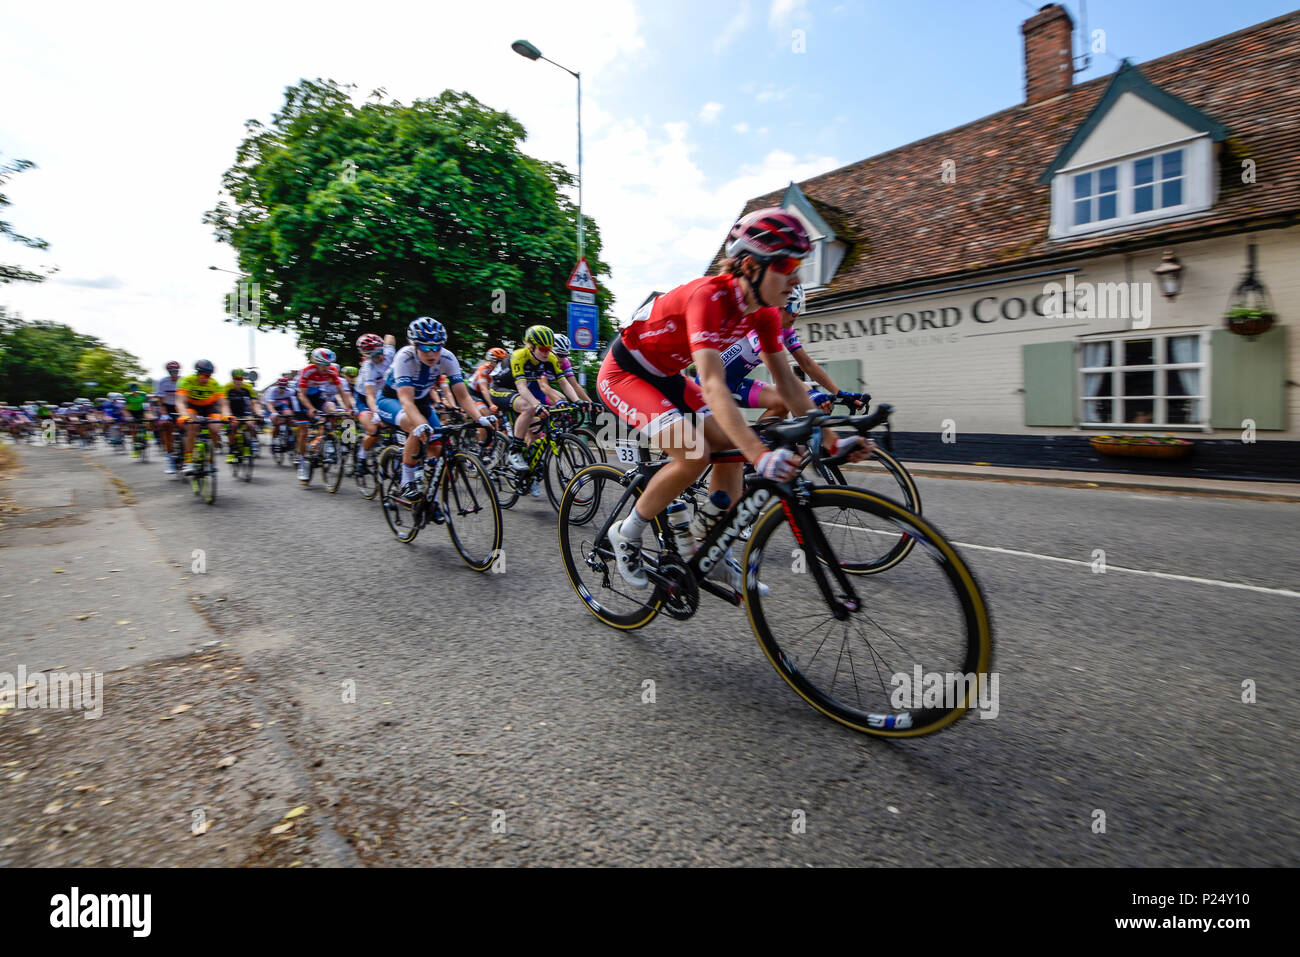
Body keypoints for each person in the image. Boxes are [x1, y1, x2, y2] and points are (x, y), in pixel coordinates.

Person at [596, 207, 869, 589]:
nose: (797, 277)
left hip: (668, 376)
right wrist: (763, 455)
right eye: (788, 264)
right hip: (625, 373)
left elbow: (788, 385)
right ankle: (627, 531)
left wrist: (831, 441)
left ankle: (709, 549)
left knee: (734, 451)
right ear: (749, 266)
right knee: (693, 453)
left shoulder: (766, 315)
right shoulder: (708, 297)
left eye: (800, 265)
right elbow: (712, 383)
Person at [376, 317, 495, 502]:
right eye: (425, 347)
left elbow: (463, 396)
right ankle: (407, 481)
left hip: (421, 401)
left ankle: (428, 495)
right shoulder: (404, 357)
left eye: (436, 347)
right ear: (415, 346)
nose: (432, 353)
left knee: (438, 447)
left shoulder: (447, 358)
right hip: (392, 399)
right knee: (415, 426)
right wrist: (420, 424)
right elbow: (406, 401)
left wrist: (480, 419)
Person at [488, 325, 581, 474]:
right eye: (543, 349)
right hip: (500, 390)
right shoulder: (519, 356)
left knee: (536, 430)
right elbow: (522, 388)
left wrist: (577, 401)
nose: (547, 352)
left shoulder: (549, 357)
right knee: (529, 407)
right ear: (531, 347)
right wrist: (537, 405)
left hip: (519, 393)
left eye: (549, 348)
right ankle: (515, 450)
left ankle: (529, 463)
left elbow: (563, 382)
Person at [293, 348, 355, 482]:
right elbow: (302, 395)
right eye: (323, 365)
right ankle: (302, 464)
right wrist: (310, 408)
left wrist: (348, 409)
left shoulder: (331, 371)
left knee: (332, 410)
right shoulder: (308, 371)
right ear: (315, 363)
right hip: (300, 398)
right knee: (303, 432)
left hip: (316, 395)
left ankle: (328, 439)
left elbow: (342, 393)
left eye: (328, 365)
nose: (326, 368)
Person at [353, 333, 398, 475]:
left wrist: (386, 341)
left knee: (398, 424)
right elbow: (370, 396)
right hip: (364, 398)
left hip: (383, 394)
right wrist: (376, 413)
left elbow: (390, 337)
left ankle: (388, 450)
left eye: (380, 352)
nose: (379, 357)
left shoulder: (389, 352)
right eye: (374, 356)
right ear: (367, 357)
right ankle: (361, 458)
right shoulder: (369, 368)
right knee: (374, 430)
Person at [176, 360, 230, 474]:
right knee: (192, 426)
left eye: (209, 375)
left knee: (216, 428)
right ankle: (189, 461)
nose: (206, 378)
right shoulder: (187, 381)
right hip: (192, 407)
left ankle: (210, 458)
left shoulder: (214, 384)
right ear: (197, 373)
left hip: (209, 407)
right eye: (204, 375)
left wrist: (226, 415)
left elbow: (223, 404)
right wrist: (184, 416)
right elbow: (180, 402)